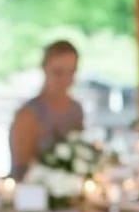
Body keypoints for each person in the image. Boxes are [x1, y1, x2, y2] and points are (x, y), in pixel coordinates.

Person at [9, 40, 84, 179]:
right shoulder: (27, 114)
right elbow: (21, 168)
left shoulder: (76, 109)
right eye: (58, 72)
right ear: (44, 68)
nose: (66, 79)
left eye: (71, 71)